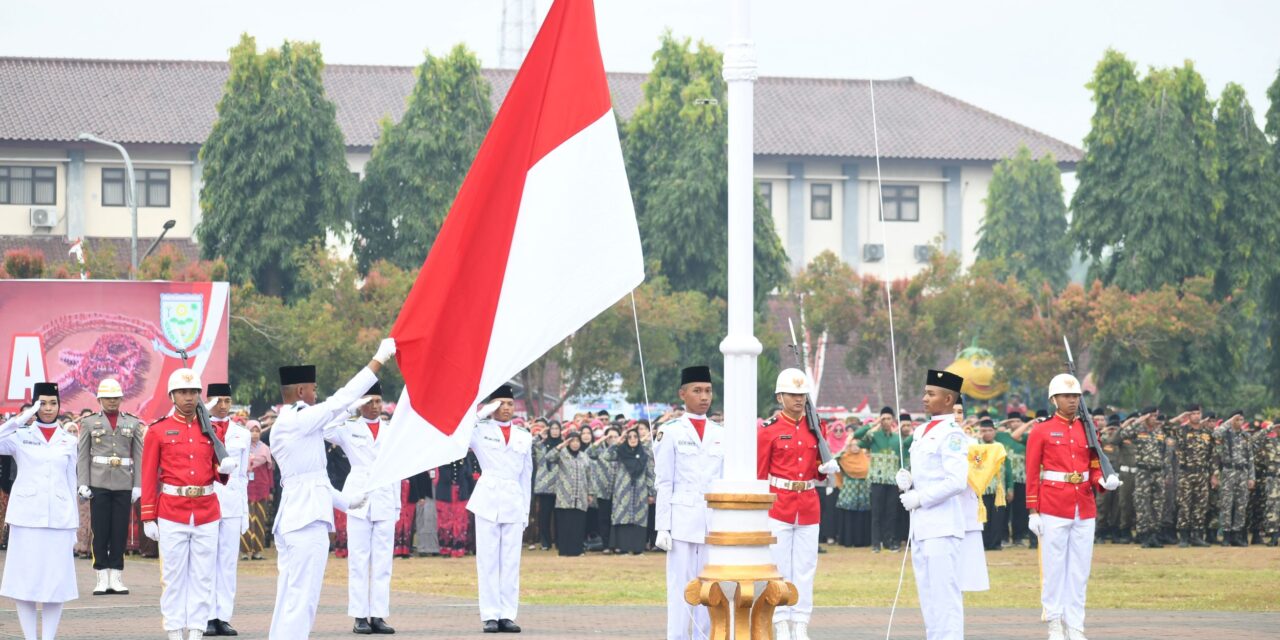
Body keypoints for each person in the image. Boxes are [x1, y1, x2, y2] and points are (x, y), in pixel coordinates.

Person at [267, 340, 393, 640]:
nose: (316, 393)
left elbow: (317, 480)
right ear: (300, 392)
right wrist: (377, 360)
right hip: (304, 520)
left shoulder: (300, 425)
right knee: (302, 598)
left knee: (293, 596)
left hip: (303, 515)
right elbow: (339, 401)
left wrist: (349, 502)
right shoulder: (295, 420)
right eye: (313, 388)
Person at [140, 369, 239, 640]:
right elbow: (148, 475)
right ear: (172, 395)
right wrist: (148, 516)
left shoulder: (212, 429)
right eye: (183, 392)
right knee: (173, 576)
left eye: (194, 392)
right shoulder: (158, 430)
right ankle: (174, 630)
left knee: (203, 575)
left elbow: (218, 469)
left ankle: (195, 630)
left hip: (207, 509)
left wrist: (226, 468)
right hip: (172, 509)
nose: (189, 397)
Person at [1025, 373, 1121, 640]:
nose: (1072, 401)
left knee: (1079, 571)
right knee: (1054, 569)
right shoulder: (1042, 430)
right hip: (1053, 505)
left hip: (1084, 506)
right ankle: (1055, 623)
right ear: (1054, 399)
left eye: (1076, 396)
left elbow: (1092, 466)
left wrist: (1103, 479)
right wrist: (1033, 510)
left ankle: (1076, 625)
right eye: (1066, 396)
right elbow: (1032, 471)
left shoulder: (1087, 429)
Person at [758, 368, 839, 640]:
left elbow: (816, 471)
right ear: (780, 397)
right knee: (778, 566)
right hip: (778, 505)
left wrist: (825, 468)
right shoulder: (768, 430)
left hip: (807, 504)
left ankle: (801, 620)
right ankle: (780, 620)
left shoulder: (816, 427)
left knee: (806, 566)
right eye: (792, 394)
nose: (798, 399)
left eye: (802, 394)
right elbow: (760, 474)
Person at [896, 370, 970, 640]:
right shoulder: (921, 431)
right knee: (928, 596)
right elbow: (931, 473)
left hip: (942, 525)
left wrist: (921, 497)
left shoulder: (952, 434)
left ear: (948, 399)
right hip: (922, 526)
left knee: (944, 597)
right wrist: (909, 481)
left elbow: (956, 481)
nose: (924, 398)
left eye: (931, 393)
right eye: (925, 392)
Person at [323, 380, 400, 635]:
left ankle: (378, 614)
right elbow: (326, 429)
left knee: (382, 561)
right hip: (358, 496)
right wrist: (349, 407)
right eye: (369, 401)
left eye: (378, 401)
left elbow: (396, 470)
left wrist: (397, 505)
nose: (374, 406)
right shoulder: (350, 428)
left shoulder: (391, 430)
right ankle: (359, 615)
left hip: (385, 495)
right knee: (358, 559)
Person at [0, 385, 77, 640]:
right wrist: (22, 418)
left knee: (56, 584)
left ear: (59, 405)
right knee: (25, 582)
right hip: (26, 518)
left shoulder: (69, 439)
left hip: (59, 519)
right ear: (34, 405)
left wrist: (74, 526)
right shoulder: (20, 435)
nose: (47, 409)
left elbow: (71, 482)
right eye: (42, 403)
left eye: (52, 403)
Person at [654, 365, 724, 640]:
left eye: (707, 390)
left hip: (711, 520)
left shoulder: (721, 432)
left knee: (709, 586)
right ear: (683, 394)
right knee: (680, 586)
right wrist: (662, 526)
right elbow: (664, 482)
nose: (704, 396)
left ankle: (704, 637)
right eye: (697, 390)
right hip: (681, 519)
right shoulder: (670, 431)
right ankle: (677, 636)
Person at [467, 385, 533, 634]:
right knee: (488, 560)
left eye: (509, 403)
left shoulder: (524, 436)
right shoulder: (480, 430)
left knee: (510, 561)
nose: (505, 408)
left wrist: (525, 511)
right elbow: (459, 432)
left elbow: (526, 477)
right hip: (487, 501)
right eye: (500, 403)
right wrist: (483, 412)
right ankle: (490, 615)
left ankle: (507, 614)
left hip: (514, 501)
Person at [76, 377, 145, 596]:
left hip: (124, 483)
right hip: (99, 482)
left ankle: (116, 576)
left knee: (119, 531)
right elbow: (83, 456)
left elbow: (139, 456)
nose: (112, 402)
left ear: (121, 398)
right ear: (99, 399)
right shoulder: (88, 423)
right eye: (107, 398)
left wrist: (138, 485)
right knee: (101, 530)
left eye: (115, 398)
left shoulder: (132, 423)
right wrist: (83, 483)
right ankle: (101, 576)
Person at [205, 383, 251, 637]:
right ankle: (207, 615)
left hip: (232, 503)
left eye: (227, 400)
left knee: (227, 562)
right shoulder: (200, 428)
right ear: (209, 401)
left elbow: (242, 475)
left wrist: (244, 511)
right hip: (207, 500)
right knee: (207, 560)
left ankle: (223, 616)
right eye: (218, 400)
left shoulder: (241, 433)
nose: (223, 406)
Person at [854, 407, 910, 553]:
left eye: (888, 418)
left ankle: (889, 542)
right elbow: (857, 436)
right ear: (880, 420)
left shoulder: (897, 439)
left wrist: (901, 480)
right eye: (883, 418)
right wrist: (873, 424)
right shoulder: (873, 436)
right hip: (877, 481)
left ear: (893, 420)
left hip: (892, 482)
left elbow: (901, 460)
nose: (886, 421)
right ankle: (875, 544)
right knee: (876, 513)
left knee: (891, 513)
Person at [601, 428, 655, 554]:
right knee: (623, 518)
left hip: (640, 492)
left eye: (635, 436)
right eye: (629, 437)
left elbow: (650, 474)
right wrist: (617, 442)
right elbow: (606, 456)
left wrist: (651, 493)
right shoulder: (620, 452)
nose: (632, 439)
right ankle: (623, 548)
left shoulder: (644, 454)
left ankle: (637, 548)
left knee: (639, 519)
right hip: (623, 492)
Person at [1171, 405, 1213, 547]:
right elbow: (1165, 428)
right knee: (1184, 505)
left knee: (1200, 506)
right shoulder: (1181, 431)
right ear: (1189, 415)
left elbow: (1212, 454)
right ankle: (1183, 537)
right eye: (1193, 413)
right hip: (1186, 473)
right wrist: (1179, 418)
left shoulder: (1207, 432)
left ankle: (1197, 536)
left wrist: (1213, 474)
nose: (1196, 416)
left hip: (1202, 473)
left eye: (1198, 413)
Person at [1213, 410, 1255, 547]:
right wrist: (1229, 421)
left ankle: (1237, 534)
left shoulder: (1246, 436)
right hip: (1228, 472)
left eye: (1241, 419)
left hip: (1242, 472)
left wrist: (1251, 477)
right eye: (1236, 419)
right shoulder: (1225, 434)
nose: (1239, 422)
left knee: (1241, 505)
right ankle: (1226, 535)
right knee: (1226, 504)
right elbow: (1215, 434)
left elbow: (1250, 459)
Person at [436, 452, 480, 558]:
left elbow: (469, 476)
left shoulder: (464, 458)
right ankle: (446, 548)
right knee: (445, 520)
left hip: (461, 493)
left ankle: (458, 547)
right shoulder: (441, 458)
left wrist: (470, 493)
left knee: (460, 520)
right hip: (445, 493)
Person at [241, 421, 272, 561]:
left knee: (259, 519)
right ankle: (244, 551)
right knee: (245, 520)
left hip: (261, 489)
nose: (254, 434)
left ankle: (257, 551)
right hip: (245, 489)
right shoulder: (242, 449)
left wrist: (270, 490)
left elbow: (269, 472)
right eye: (252, 431)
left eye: (257, 431)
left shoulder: (265, 449)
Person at [833, 436, 872, 547]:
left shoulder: (865, 458)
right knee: (848, 515)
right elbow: (834, 458)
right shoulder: (844, 458)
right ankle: (847, 540)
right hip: (849, 490)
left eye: (857, 445)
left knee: (862, 515)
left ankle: (861, 541)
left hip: (863, 490)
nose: (855, 447)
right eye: (852, 445)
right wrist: (844, 447)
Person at [531, 421, 562, 551]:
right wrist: (539, 435)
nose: (555, 431)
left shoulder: (563, 445)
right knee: (544, 515)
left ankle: (559, 541)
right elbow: (529, 446)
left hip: (560, 484)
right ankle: (545, 541)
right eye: (552, 429)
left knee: (559, 515)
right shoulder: (541, 445)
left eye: (557, 428)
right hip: (544, 485)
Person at [408, 469, 440, 557]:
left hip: (437, 498)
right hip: (423, 498)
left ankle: (435, 548)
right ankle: (423, 548)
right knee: (422, 523)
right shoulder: (421, 465)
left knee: (433, 523)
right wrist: (420, 496)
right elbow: (417, 480)